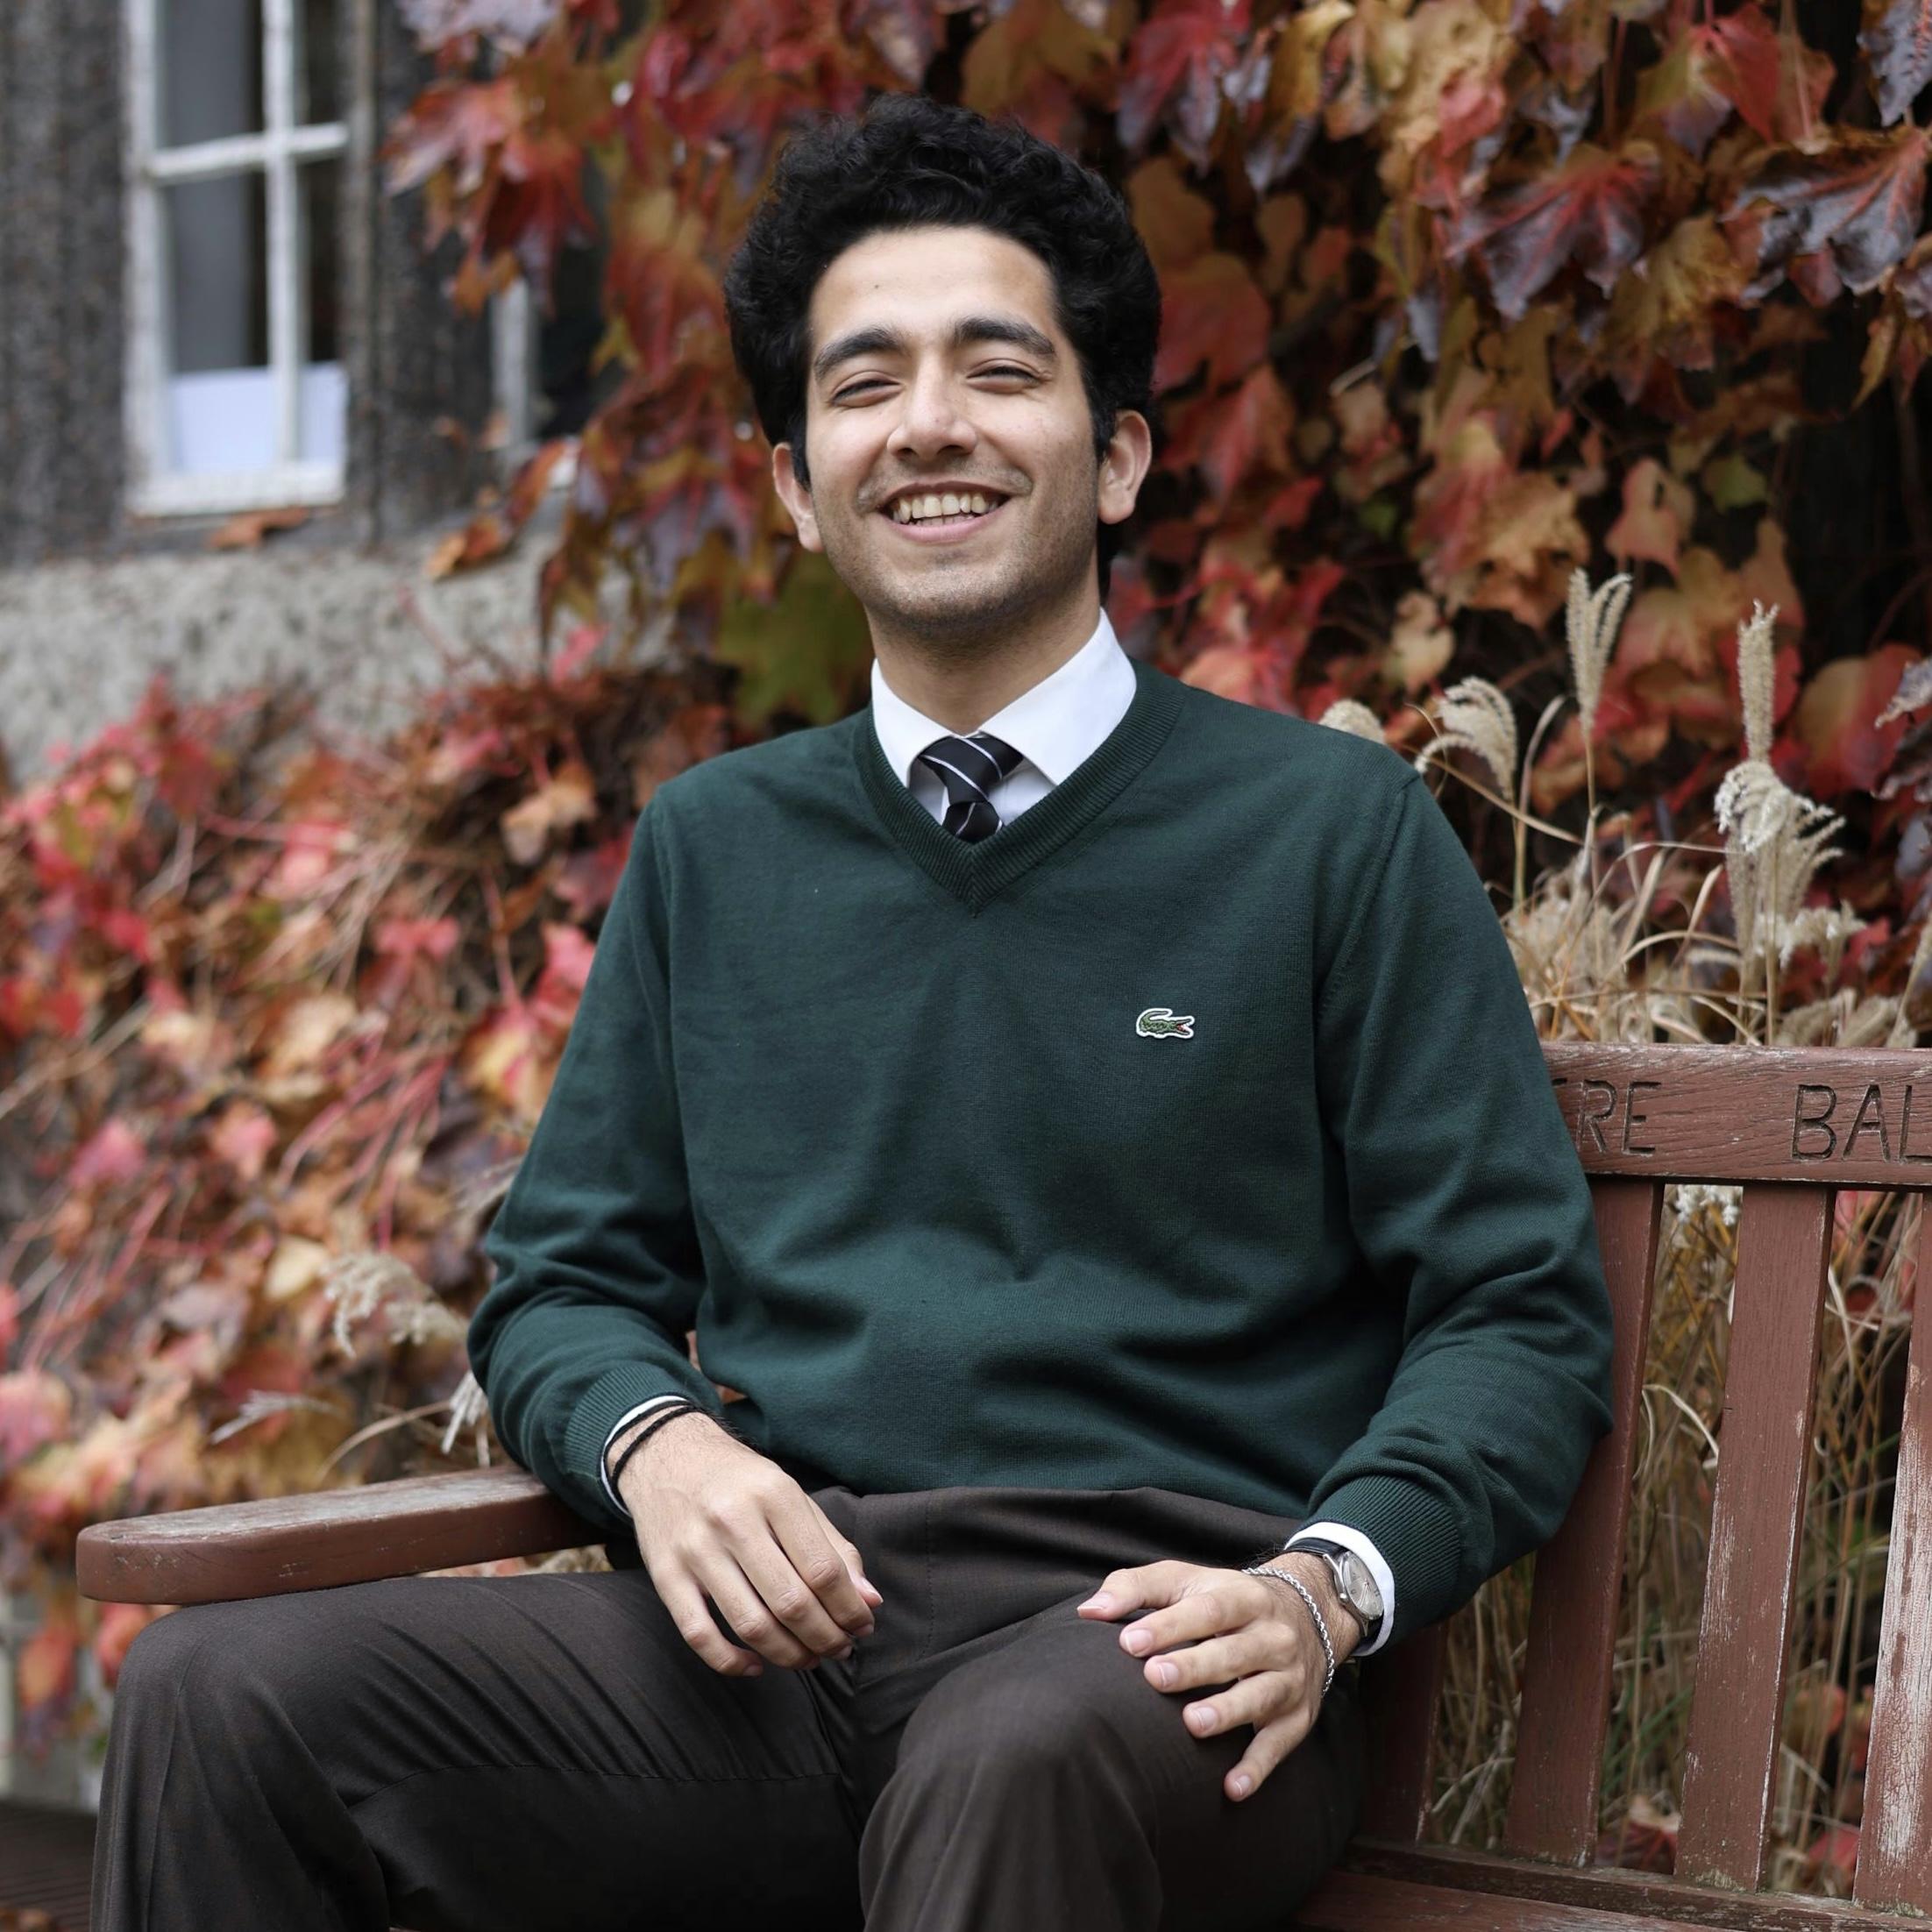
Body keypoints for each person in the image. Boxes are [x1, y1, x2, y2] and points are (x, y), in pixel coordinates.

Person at [91, 94, 1615, 1932]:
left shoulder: (1325, 834)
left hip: (1157, 1657)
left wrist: (1324, 1589)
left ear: (1118, 458)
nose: (929, 424)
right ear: (801, 488)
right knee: (221, 1694)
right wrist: (663, 1450)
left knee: (1005, 1755)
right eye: (865, 382)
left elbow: (1517, 1311)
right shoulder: (717, 847)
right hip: (776, 1649)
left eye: (998, 369)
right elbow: (561, 1288)